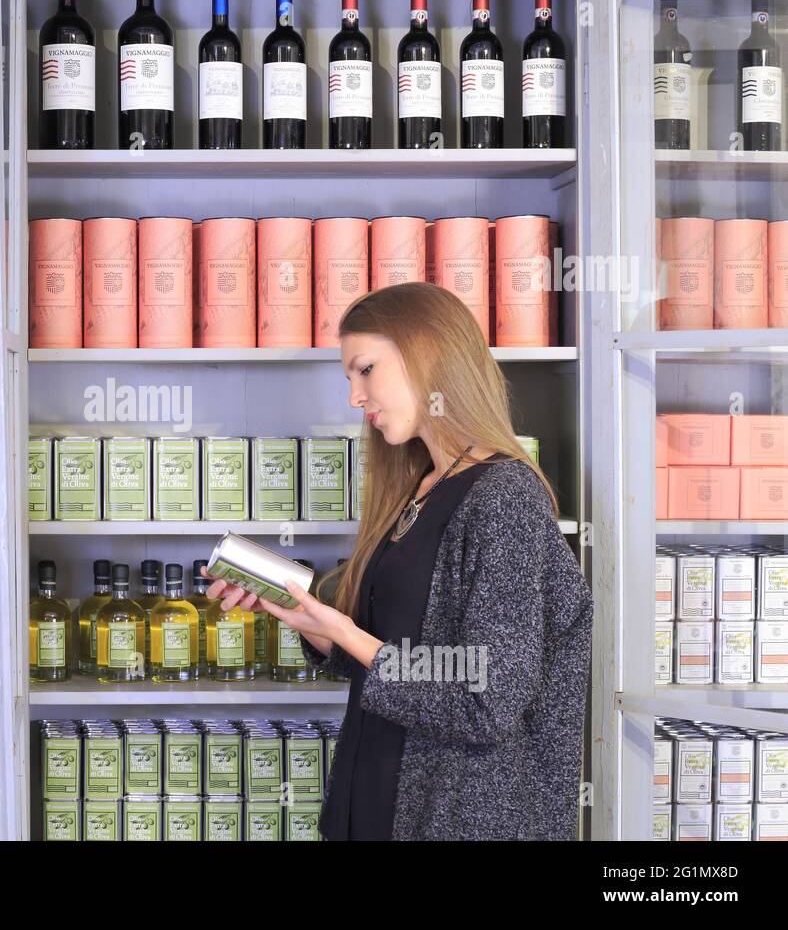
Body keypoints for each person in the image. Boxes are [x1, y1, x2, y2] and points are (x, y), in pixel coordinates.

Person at [206, 282, 592, 840]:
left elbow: (490, 698)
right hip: (376, 800)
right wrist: (313, 624)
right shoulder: (418, 489)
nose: (355, 398)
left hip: (457, 818)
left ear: (428, 355)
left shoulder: (503, 497)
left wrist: (349, 634)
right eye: (349, 379)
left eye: (365, 370)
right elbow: (398, 654)